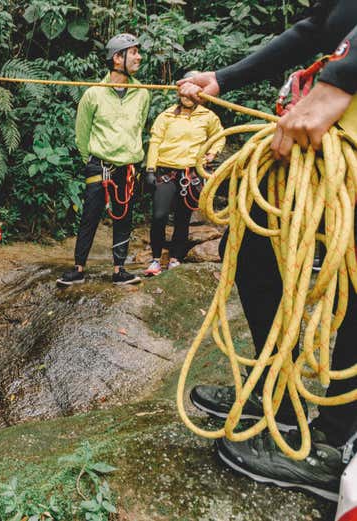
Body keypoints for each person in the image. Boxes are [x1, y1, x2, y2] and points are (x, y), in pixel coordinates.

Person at [179, 1, 357, 501]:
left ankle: (334, 442)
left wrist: (341, 78)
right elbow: (316, 28)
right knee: (252, 241)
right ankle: (276, 391)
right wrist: (222, 78)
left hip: (343, 123)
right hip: (336, 134)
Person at [56, 33, 151, 287]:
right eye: (133, 52)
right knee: (90, 215)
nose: (139, 57)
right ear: (117, 58)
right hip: (99, 164)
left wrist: (130, 156)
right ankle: (78, 268)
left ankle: (120, 269)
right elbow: (82, 133)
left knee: (124, 216)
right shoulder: (94, 95)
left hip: (127, 167)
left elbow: (139, 127)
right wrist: (91, 161)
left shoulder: (142, 93)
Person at [143, 71, 225, 276]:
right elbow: (155, 142)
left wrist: (212, 154)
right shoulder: (167, 115)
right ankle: (155, 259)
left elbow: (219, 136)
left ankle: (175, 258)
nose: (187, 97)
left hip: (190, 174)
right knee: (159, 216)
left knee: (182, 218)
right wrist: (150, 169)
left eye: (193, 92)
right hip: (166, 171)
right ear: (179, 92)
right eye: (184, 92)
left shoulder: (208, 117)